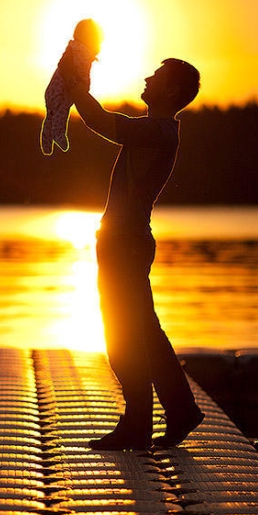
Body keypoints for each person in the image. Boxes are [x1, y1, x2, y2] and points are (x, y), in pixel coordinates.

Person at [66, 58, 204, 450]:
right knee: (146, 333)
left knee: (123, 335)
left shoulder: (158, 132)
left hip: (125, 243)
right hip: (126, 241)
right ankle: (181, 410)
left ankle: (138, 423)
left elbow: (100, 121)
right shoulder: (156, 130)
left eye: (156, 76)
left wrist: (75, 87)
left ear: (171, 90)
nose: (146, 78)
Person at [40, 19, 103, 155]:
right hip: (60, 88)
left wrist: (83, 86)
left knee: (53, 114)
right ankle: (58, 134)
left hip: (67, 89)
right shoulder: (74, 49)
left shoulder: (85, 53)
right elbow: (64, 64)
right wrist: (71, 79)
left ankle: (48, 143)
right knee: (59, 112)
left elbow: (84, 71)